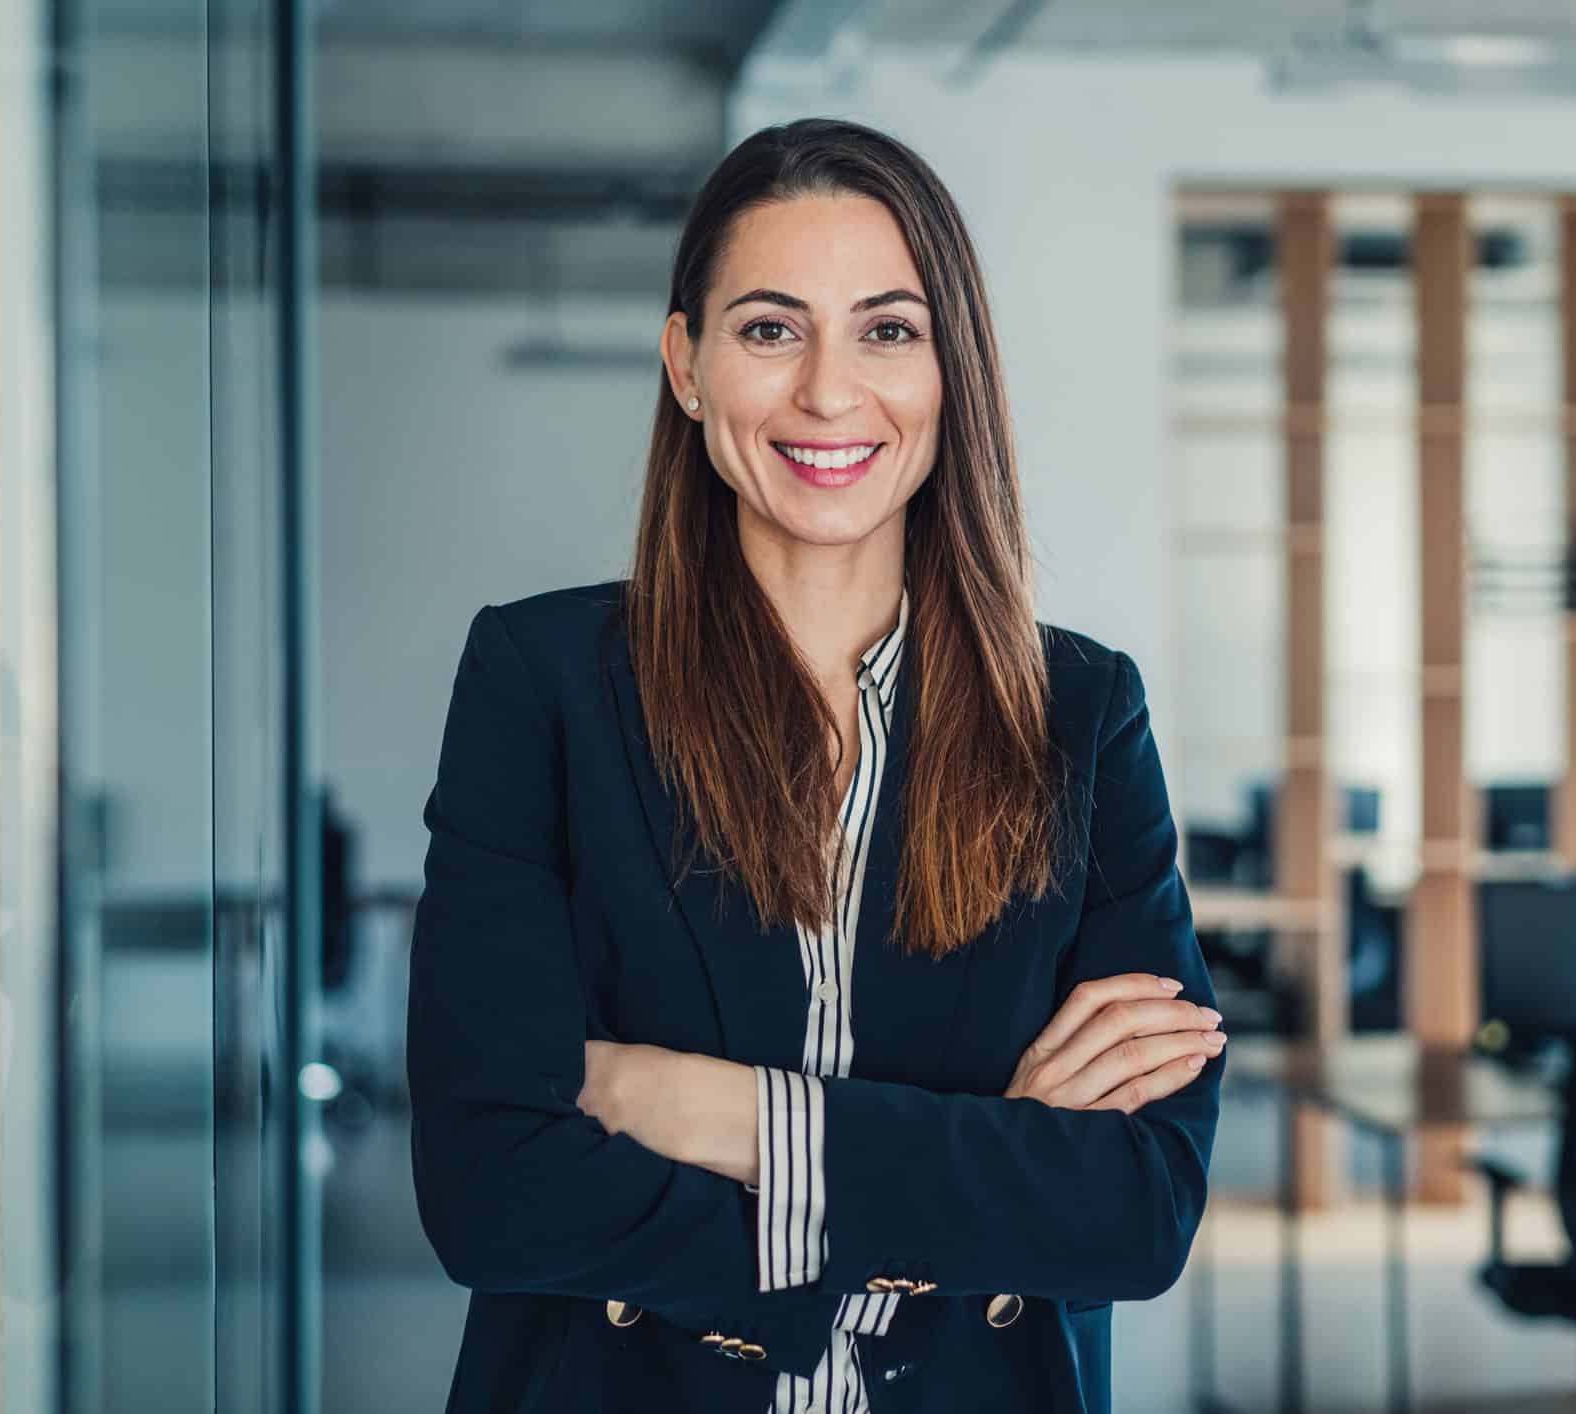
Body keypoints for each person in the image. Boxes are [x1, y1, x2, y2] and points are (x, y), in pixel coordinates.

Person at [407, 116, 1224, 1414]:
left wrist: (694, 1105)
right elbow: (493, 1190)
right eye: (770, 328)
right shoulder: (544, 683)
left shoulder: (1078, 715)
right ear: (685, 363)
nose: (828, 393)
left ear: (951, 367)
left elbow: (1134, 1212)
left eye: (887, 329)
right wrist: (977, 1167)